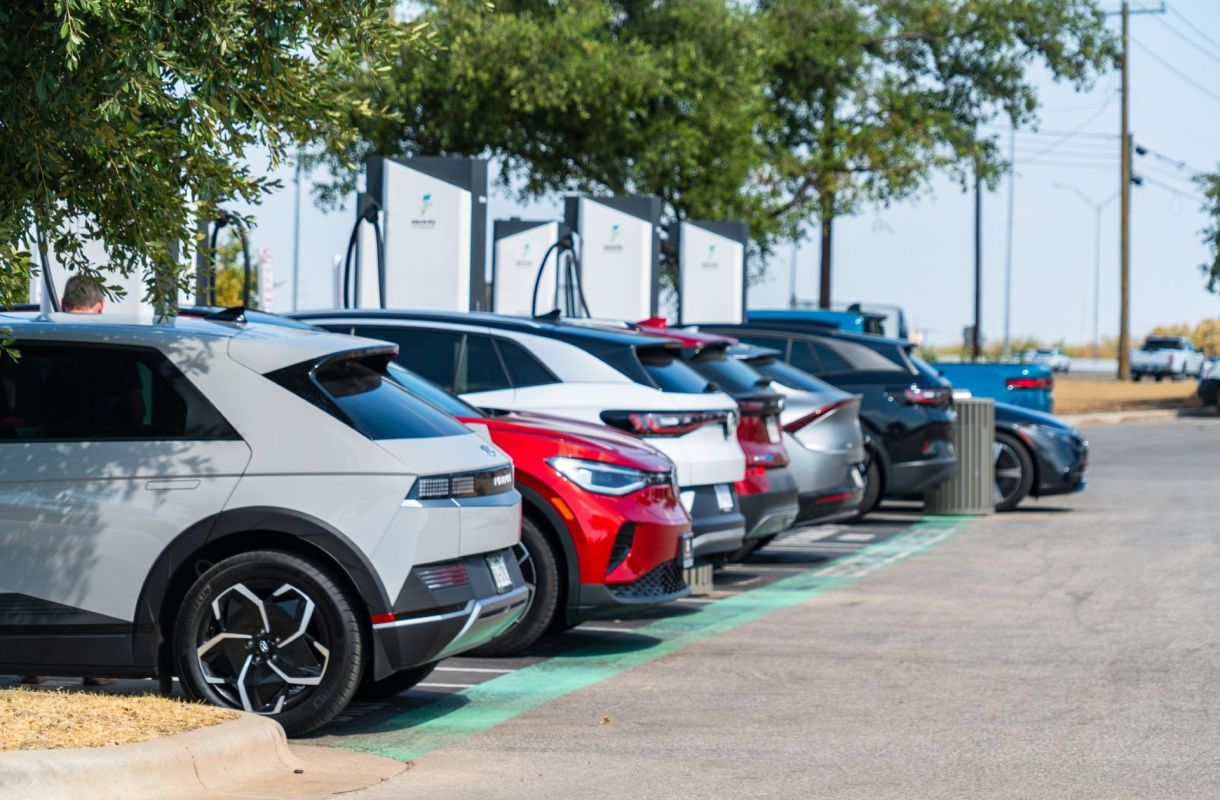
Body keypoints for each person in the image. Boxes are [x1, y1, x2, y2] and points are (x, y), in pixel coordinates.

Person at [22, 274, 117, 688]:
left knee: (36, 563)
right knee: (95, 562)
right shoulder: (112, 345)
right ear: (99, 306)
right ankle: (95, 665)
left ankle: (34, 662)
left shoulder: (41, 345)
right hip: (100, 469)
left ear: (62, 302)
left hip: (35, 466)